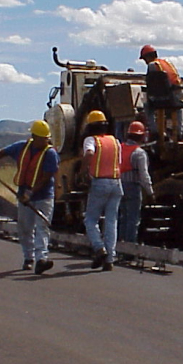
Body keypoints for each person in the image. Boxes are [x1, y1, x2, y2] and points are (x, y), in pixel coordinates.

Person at [0, 120, 59, 275]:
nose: (45, 140)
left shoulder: (50, 153)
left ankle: (42, 259)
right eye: (42, 138)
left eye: (47, 138)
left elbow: (47, 177)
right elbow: (3, 152)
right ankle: (29, 257)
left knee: (42, 227)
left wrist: (31, 193)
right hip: (23, 196)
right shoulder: (22, 147)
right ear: (34, 137)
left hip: (44, 197)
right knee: (24, 228)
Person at [81, 110, 123, 272]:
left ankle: (99, 249)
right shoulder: (115, 141)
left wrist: (83, 171)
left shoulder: (91, 140)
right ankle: (110, 259)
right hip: (116, 183)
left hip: (100, 183)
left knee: (90, 220)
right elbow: (118, 162)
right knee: (111, 221)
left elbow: (90, 153)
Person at [118, 121, 155, 246]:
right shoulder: (139, 153)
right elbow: (144, 175)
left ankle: (119, 247)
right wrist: (150, 192)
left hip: (118, 185)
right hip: (133, 187)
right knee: (133, 220)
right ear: (141, 136)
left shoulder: (119, 149)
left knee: (122, 218)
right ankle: (130, 248)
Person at [140, 44, 183, 140]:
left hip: (164, 97)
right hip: (177, 95)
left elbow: (153, 84)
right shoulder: (167, 63)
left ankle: (155, 132)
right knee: (179, 108)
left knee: (147, 106)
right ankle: (179, 133)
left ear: (148, 57)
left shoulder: (152, 65)